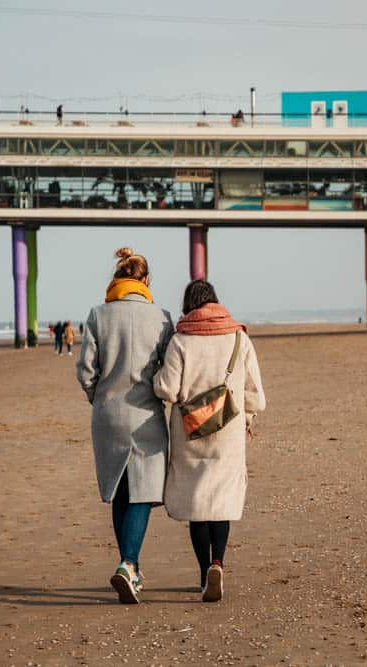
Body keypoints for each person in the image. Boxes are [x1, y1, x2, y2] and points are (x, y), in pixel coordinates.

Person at [153, 280, 266, 602]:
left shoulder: (181, 340)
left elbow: (168, 389)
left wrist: (154, 378)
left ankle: (205, 573)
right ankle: (219, 562)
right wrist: (247, 417)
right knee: (222, 501)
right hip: (228, 429)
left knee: (197, 503)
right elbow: (255, 394)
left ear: (188, 305)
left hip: (190, 431)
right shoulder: (238, 338)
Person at [76, 247, 174, 604]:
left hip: (107, 414)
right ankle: (129, 563)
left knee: (120, 489)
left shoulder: (98, 315)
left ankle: (129, 568)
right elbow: (168, 370)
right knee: (144, 493)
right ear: (146, 281)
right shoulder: (161, 318)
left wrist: (99, 398)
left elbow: (86, 371)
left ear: (118, 278)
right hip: (145, 413)